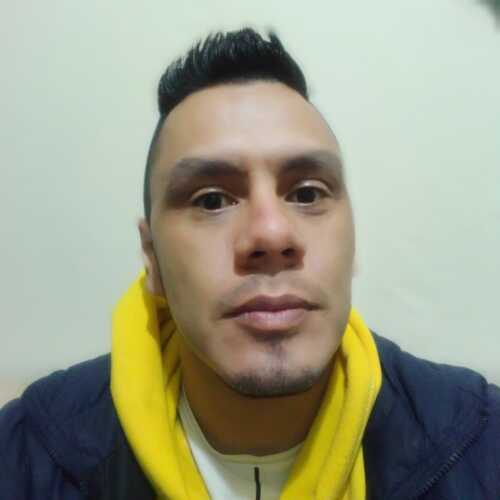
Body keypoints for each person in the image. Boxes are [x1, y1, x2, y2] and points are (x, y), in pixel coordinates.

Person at [1, 28, 499, 500]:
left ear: (352, 241)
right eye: (211, 200)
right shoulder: (22, 457)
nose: (272, 234)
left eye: (307, 193)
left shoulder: (482, 445)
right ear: (151, 257)